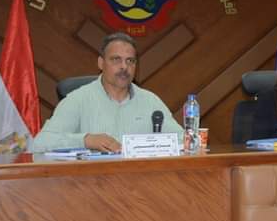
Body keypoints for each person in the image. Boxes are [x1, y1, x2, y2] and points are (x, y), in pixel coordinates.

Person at [33, 32, 183, 152]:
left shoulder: (150, 101)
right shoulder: (77, 100)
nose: (124, 67)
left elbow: (182, 140)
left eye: (130, 61)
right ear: (101, 63)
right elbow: (40, 144)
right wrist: (85, 140)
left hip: (139, 178)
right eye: (116, 59)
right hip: (91, 179)